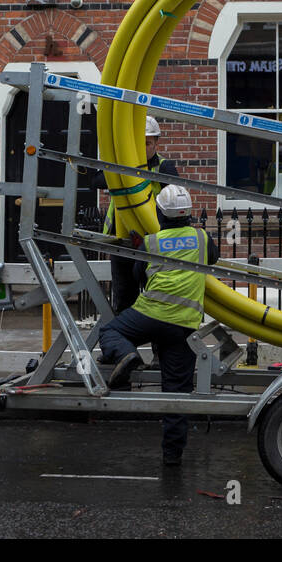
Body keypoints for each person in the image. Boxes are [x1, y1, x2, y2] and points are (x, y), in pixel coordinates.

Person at [99, 184, 219, 466]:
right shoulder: (202, 239)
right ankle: (172, 456)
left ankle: (127, 355)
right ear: (188, 214)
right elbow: (212, 259)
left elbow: (138, 274)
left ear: (161, 213)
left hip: (149, 315)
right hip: (184, 325)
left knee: (111, 331)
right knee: (176, 392)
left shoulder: (152, 242)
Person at [98, 115, 178, 317]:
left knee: (158, 299)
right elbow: (96, 181)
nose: (143, 148)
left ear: (156, 143)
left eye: (148, 143)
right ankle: (126, 345)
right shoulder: (120, 166)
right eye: (138, 143)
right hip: (123, 242)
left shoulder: (164, 167)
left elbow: (176, 200)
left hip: (154, 243)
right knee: (125, 300)